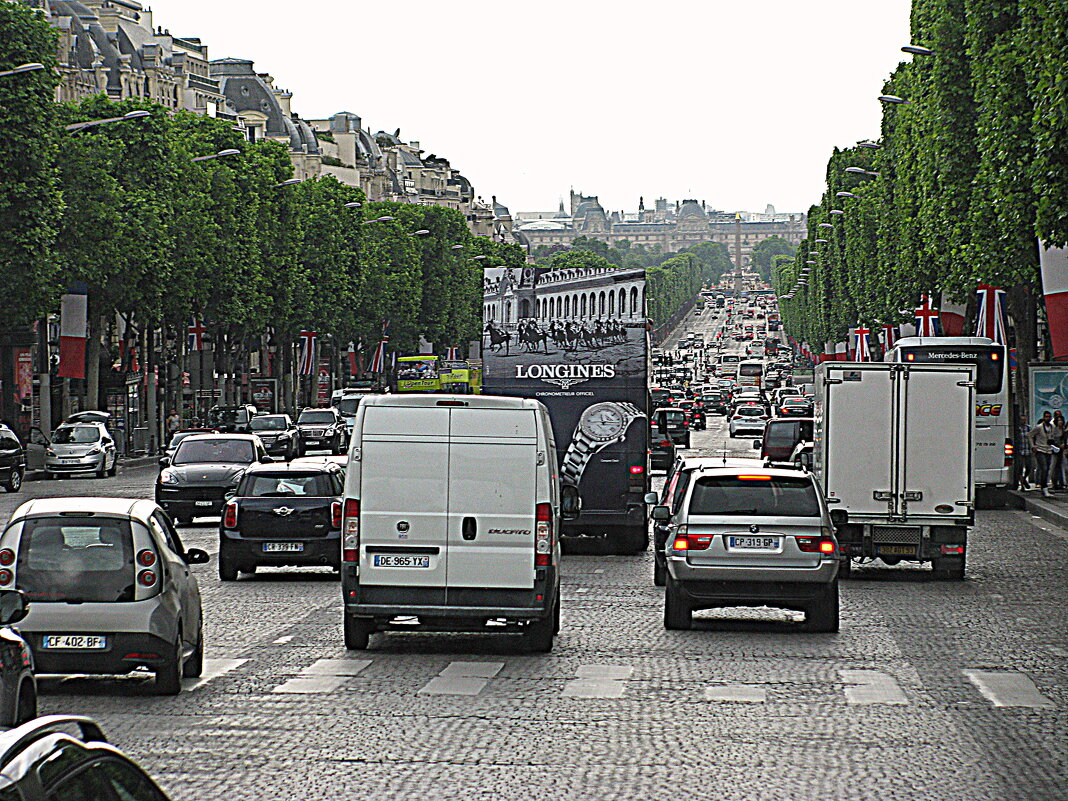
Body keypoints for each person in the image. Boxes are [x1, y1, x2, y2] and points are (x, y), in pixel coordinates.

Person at [1029, 411, 1055, 497]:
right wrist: (1033, 446)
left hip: (1049, 450)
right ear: (1044, 418)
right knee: (1044, 468)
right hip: (1040, 449)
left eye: (1049, 417)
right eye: (1046, 417)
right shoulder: (1039, 427)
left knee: (1047, 469)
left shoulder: (1052, 427)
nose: (1048, 418)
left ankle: (1045, 487)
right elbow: (1029, 435)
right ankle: (1044, 487)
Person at [1015, 412, 1033, 491]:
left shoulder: (1029, 428)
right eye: (1022, 420)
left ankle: (1024, 479)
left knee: (1029, 467)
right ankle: (1022, 485)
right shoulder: (1017, 429)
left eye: (1025, 420)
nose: (1023, 421)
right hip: (1020, 451)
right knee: (1020, 468)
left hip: (1028, 450)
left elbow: (1032, 438)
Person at [1052, 410, 1067, 491]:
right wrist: (1057, 445)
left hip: (1062, 450)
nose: (1060, 422)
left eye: (1061, 420)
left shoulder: (1064, 430)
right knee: (1054, 466)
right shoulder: (1054, 429)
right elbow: (1052, 439)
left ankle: (1061, 483)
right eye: (1059, 420)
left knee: (1061, 466)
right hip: (1055, 449)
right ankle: (1055, 482)